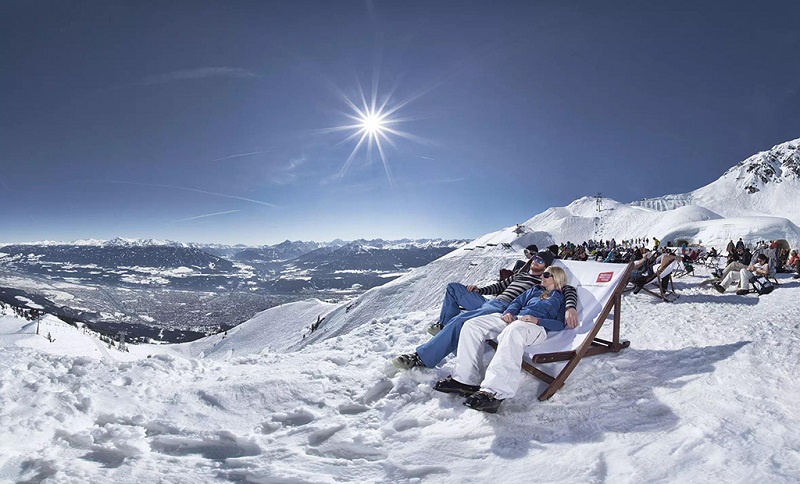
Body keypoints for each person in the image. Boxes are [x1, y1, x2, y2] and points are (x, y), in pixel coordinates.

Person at [392, 251, 578, 369]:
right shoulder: (520, 275)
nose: (535, 261)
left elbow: (567, 289)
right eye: (534, 258)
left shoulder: (542, 283)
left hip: (502, 308)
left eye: (540, 261)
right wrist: (479, 290)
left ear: (547, 268)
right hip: (491, 301)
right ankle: (444, 326)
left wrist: (570, 307)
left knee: (461, 320)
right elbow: (499, 286)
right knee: (454, 288)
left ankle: (423, 357)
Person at [432, 266, 569, 413]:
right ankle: (466, 380)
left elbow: (560, 324)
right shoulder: (534, 290)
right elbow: (517, 302)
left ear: (556, 277)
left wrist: (538, 321)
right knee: (472, 325)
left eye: (546, 275)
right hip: (514, 319)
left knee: (513, 331)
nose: (542, 276)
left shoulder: (561, 298)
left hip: (535, 328)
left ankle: (494, 392)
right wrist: (509, 312)